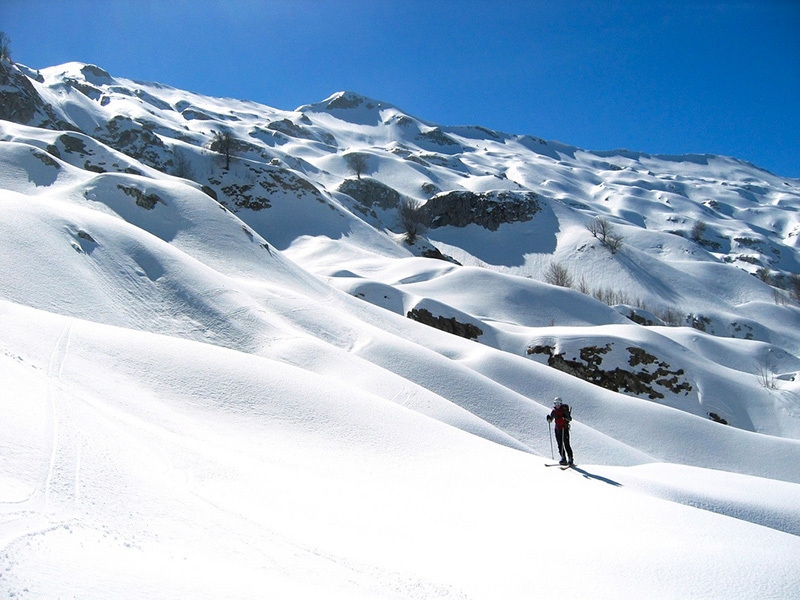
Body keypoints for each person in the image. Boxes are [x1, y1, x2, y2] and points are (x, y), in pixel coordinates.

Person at [546, 397, 574, 466]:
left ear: (561, 403)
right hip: (557, 429)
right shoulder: (554, 411)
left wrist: (566, 417)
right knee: (560, 444)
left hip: (564, 429)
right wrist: (549, 419)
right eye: (556, 403)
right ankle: (563, 458)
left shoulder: (564, 410)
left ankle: (570, 458)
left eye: (559, 403)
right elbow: (551, 419)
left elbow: (570, 419)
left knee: (566, 444)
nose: (557, 405)